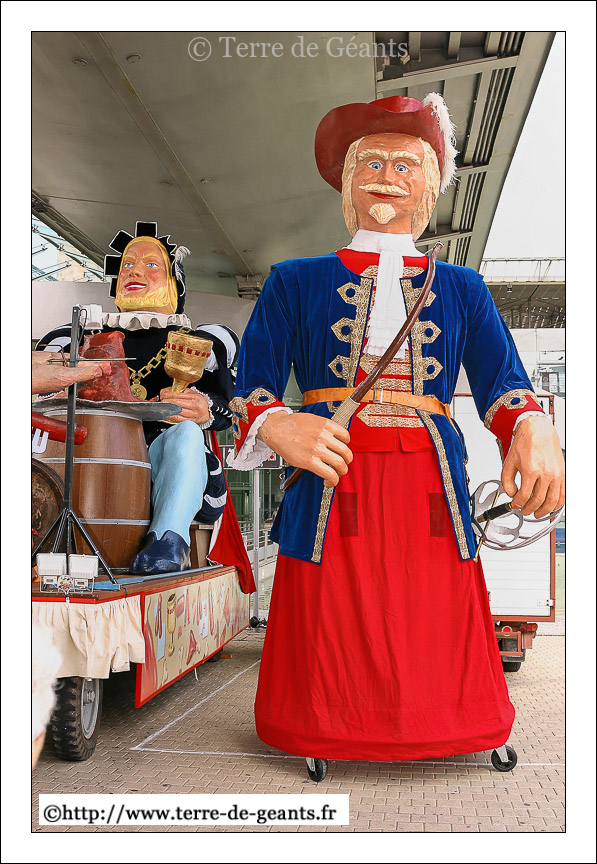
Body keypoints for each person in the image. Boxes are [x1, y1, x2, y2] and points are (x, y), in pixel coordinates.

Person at [228, 94, 565, 761]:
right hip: (331, 465)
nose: (387, 176)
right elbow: (253, 380)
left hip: (428, 471)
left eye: (405, 165)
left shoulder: (464, 287)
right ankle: (319, 726)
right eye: (372, 162)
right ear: (347, 181)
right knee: (329, 596)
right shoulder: (293, 280)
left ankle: (453, 723)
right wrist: (275, 423)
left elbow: (502, 378)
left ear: (430, 187)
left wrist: (532, 427)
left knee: (432, 594)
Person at [37, 221, 243, 577]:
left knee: (186, 434)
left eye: (151, 264)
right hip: (92, 455)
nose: (134, 271)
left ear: (175, 282)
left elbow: (227, 411)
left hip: (166, 460)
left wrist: (204, 409)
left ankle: (168, 539)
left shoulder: (199, 341)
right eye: (128, 265)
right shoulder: (78, 338)